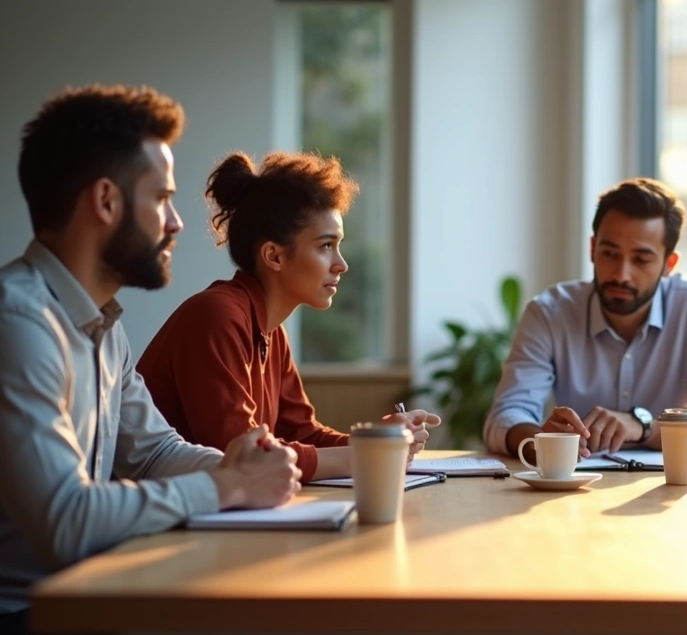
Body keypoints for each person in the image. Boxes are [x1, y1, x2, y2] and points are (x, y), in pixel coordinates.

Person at [0, 85, 300, 631]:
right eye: (161, 198)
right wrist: (228, 485)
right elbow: (66, 522)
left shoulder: (102, 325)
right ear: (106, 201)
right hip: (27, 614)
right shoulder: (17, 324)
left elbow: (153, 451)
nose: (177, 222)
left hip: (92, 593)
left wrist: (239, 465)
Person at [138, 152, 439, 483]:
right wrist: (364, 455)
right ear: (274, 256)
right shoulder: (215, 316)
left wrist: (379, 441)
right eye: (326, 246)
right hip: (162, 525)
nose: (341, 264)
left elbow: (304, 433)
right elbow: (243, 453)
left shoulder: (271, 330)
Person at [484, 178, 687, 460]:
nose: (621, 274)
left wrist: (643, 427)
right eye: (609, 253)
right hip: (572, 490)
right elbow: (505, 416)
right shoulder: (549, 313)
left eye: (641, 260)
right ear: (593, 249)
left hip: (666, 490)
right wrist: (540, 443)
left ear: (668, 265)